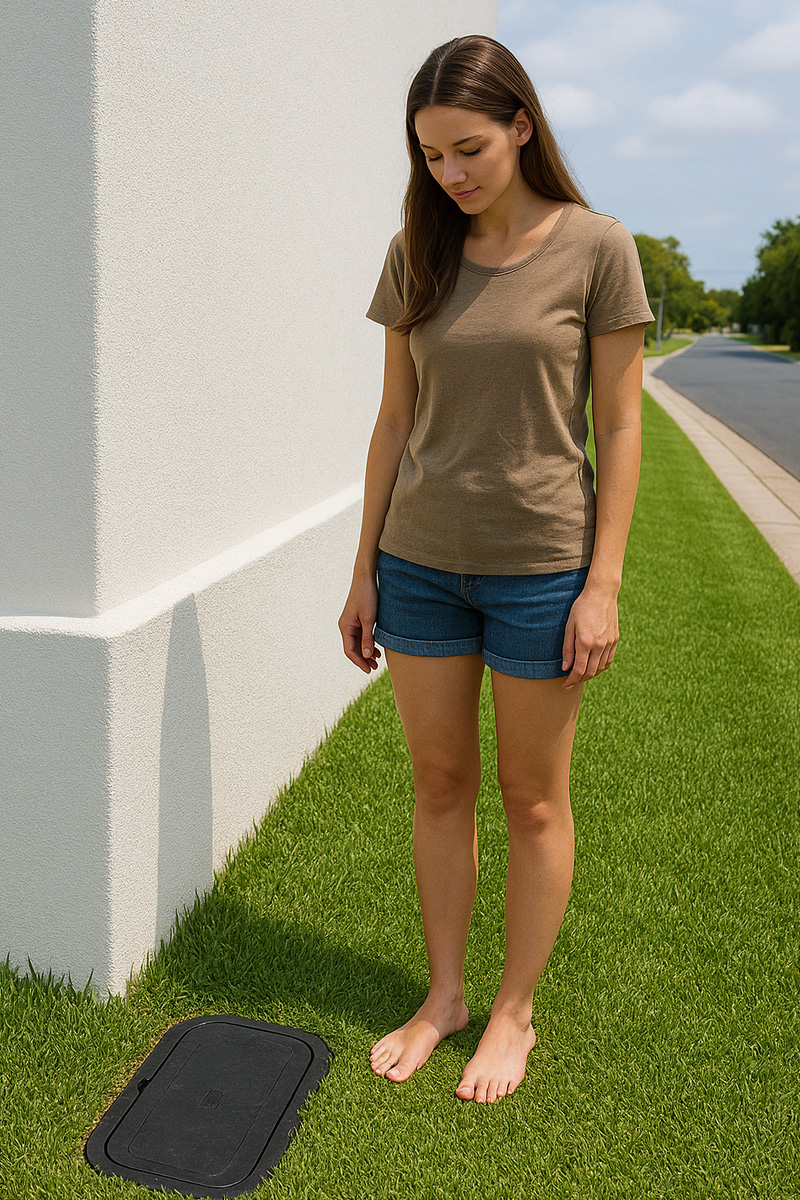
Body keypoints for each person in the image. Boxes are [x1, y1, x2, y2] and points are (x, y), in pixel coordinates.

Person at [338, 34, 654, 1105]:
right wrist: (363, 571)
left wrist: (601, 583)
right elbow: (392, 421)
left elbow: (620, 424)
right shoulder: (415, 251)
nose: (450, 173)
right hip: (420, 563)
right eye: (431, 155)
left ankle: (514, 1010)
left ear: (522, 125)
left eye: (467, 148)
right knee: (438, 785)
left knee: (532, 799)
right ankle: (445, 996)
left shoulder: (598, 248)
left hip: (542, 572)